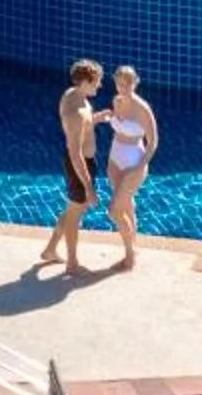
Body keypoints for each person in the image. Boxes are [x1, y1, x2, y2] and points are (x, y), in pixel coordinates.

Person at [45, 60, 103, 273]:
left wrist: (98, 118)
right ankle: (72, 263)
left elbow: (84, 126)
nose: (99, 86)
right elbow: (75, 153)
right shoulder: (75, 112)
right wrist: (89, 187)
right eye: (96, 82)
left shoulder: (74, 95)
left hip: (83, 162)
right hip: (80, 165)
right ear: (85, 82)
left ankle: (50, 250)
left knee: (72, 209)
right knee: (75, 214)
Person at [103, 66, 159, 272]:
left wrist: (140, 166)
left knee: (115, 210)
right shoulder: (116, 101)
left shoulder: (143, 108)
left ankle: (130, 256)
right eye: (119, 84)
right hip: (115, 159)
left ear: (134, 83)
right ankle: (133, 244)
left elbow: (153, 142)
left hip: (134, 162)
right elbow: (117, 127)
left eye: (127, 84)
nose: (123, 88)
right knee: (126, 204)